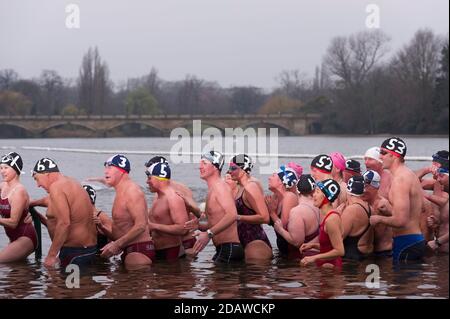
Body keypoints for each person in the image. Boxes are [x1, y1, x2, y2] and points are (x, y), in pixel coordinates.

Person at [31, 157, 97, 268]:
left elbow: (64, 223)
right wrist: (32, 203)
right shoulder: (70, 182)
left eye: (37, 179)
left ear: (46, 173)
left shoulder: (56, 187)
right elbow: (51, 200)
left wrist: (51, 255)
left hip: (75, 253)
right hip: (86, 250)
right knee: (82, 285)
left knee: (70, 285)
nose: (38, 185)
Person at [370, 137, 426, 264]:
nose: (380, 156)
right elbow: (417, 209)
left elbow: (401, 220)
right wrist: (390, 209)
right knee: (409, 283)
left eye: (383, 153)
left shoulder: (400, 180)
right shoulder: (409, 174)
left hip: (406, 242)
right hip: (414, 240)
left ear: (394, 155)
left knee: (404, 284)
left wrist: (378, 219)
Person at [188, 151, 244, 263]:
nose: (200, 167)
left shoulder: (220, 187)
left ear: (215, 167)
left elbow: (232, 215)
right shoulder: (214, 189)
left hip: (230, 248)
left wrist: (208, 234)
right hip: (224, 249)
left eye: (204, 163)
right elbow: (217, 221)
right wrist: (200, 226)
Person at [99, 154, 155, 268]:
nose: (105, 172)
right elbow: (124, 225)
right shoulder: (121, 191)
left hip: (138, 252)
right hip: (129, 249)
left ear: (121, 170)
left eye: (110, 167)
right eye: (105, 167)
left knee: (133, 284)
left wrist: (117, 245)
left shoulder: (132, 192)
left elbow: (141, 225)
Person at [145, 156, 199, 253]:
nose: (147, 179)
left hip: (185, 238)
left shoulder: (179, 190)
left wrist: (196, 220)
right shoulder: (159, 192)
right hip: (169, 241)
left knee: (186, 264)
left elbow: (196, 212)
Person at [228, 154, 272, 261]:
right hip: (244, 240)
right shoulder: (241, 187)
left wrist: (238, 217)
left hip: (255, 242)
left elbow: (265, 218)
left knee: (253, 275)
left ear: (243, 170)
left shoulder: (251, 187)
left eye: (233, 168)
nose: (229, 171)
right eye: (229, 168)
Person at [146, 162, 189, 261]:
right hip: (158, 250)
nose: (147, 182)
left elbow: (183, 228)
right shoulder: (157, 196)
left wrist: (154, 226)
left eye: (149, 178)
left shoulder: (173, 198)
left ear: (159, 178)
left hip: (171, 251)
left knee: (169, 276)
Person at [0, 152, 37, 263]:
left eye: (6, 168)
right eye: (1, 168)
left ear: (16, 170)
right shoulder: (2, 186)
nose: (2, 171)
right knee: (17, 273)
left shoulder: (19, 191)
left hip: (26, 238)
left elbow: (13, 222)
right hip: (13, 238)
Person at [273, 174, 320, 260]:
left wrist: (280, 230)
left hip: (303, 258)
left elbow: (297, 242)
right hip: (318, 253)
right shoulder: (318, 206)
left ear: (297, 190)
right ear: (313, 190)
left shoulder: (297, 211)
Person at [300, 179, 344, 268]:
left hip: (331, 269)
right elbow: (328, 247)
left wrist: (313, 258)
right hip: (326, 268)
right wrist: (313, 245)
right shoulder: (328, 217)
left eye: (317, 192)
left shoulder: (331, 219)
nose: (313, 195)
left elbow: (340, 251)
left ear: (326, 197)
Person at [266, 165, 299, 258]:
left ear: (281, 181)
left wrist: (272, 212)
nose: (269, 178)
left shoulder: (289, 197)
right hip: (283, 248)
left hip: (293, 251)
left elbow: (283, 227)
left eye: (273, 176)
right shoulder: (275, 196)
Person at [361, 170, 393, 257]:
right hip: (371, 253)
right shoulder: (364, 202)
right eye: (362, 185)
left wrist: (389, 214)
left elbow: (399, 220)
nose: (363, 189)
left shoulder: (383, 203)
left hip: (385, 252)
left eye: (366, 186)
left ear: (375, 187)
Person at [341, 176, 373, 260]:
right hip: (365, 255)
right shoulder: (370, 208)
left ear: (348, 191)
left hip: (351, 257)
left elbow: (339, 237)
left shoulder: (351, 210)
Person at [426, 167, 449, 253]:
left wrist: (437, 242)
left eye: (441, 176)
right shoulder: (446, 197)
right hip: (442, 254)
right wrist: (436, 222)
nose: (438, 180)